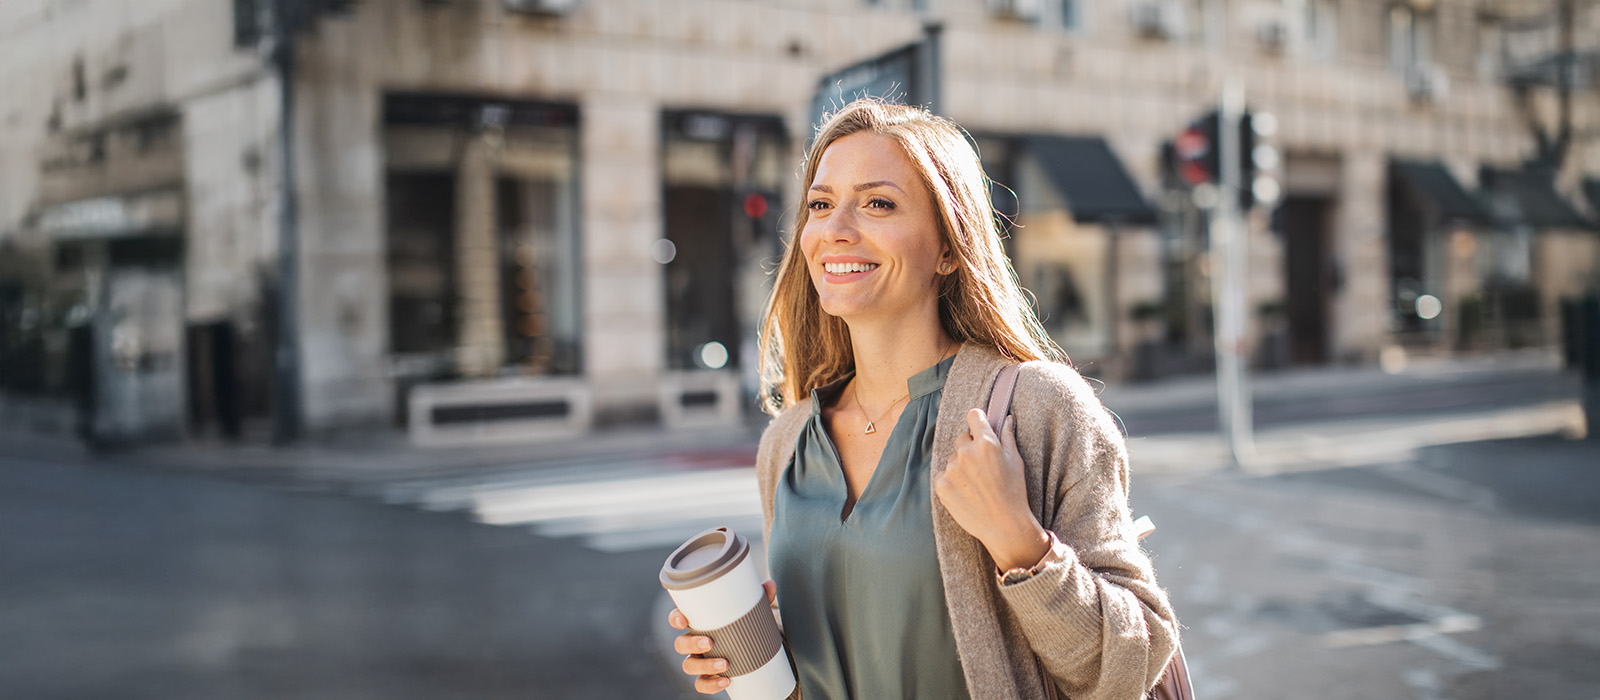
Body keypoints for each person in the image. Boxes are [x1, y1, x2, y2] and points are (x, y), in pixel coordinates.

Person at [668, 99, 1179, 700]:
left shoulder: (1036, 408)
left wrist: (1023, 546)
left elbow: (1133, 660)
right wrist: (756, 657)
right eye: (821, 204)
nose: (835, 228)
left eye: (878, 203)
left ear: (947, 247)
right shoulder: (786, 443)